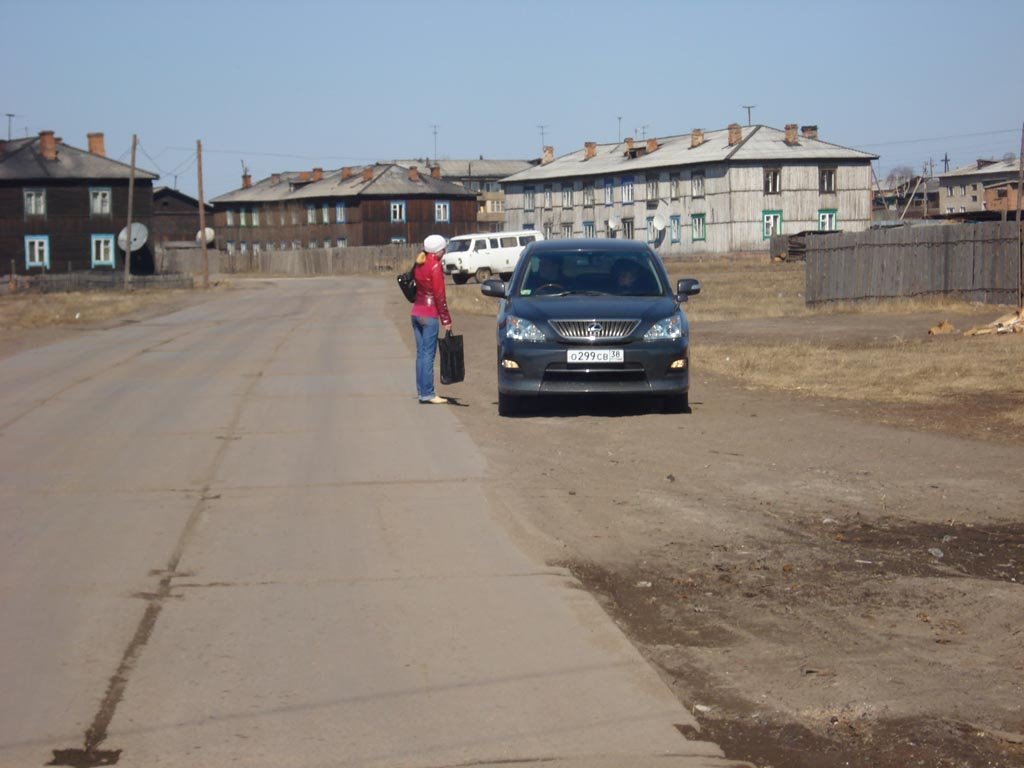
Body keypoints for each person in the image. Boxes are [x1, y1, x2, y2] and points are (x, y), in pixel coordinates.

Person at [411, 234, 453, 404]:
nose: (445, 251)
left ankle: (422, 391)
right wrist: (446, 319)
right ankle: (428, 393)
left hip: (416, 312)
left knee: (421, 354)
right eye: (443, 249)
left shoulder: (419, 263)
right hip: (429, 314)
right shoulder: (435, 266)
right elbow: (439, 295)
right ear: (438, 250)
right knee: (428, 355)